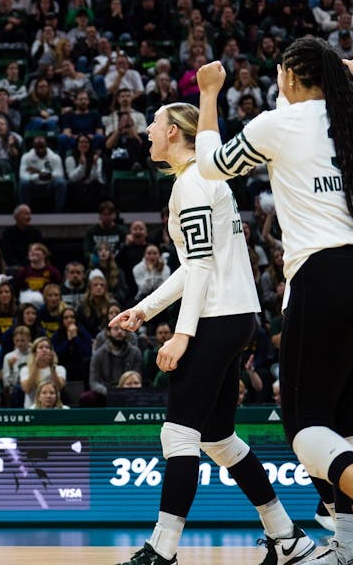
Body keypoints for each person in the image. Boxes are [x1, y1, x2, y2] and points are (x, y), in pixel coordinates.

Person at [111, 102, 314, 565]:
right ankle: (288, 539)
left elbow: (199, 266)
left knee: (178, 436)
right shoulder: (202, 181)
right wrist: (143, 310)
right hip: (235, 317)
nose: (148, 131)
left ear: (177, 132)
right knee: (218, 438)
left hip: (217, 319)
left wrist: (182, 336)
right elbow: (192, 266)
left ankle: (162, 551)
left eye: (156, 123)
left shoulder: (193, 185)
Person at [193, 45, 353, 565]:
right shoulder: (345, 117)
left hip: (321, 276)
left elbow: (212, 167)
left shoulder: (280, 122)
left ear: (287, 77)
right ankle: (346, 549)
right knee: (345, 426)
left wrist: (210, 94)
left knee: (306, 428)